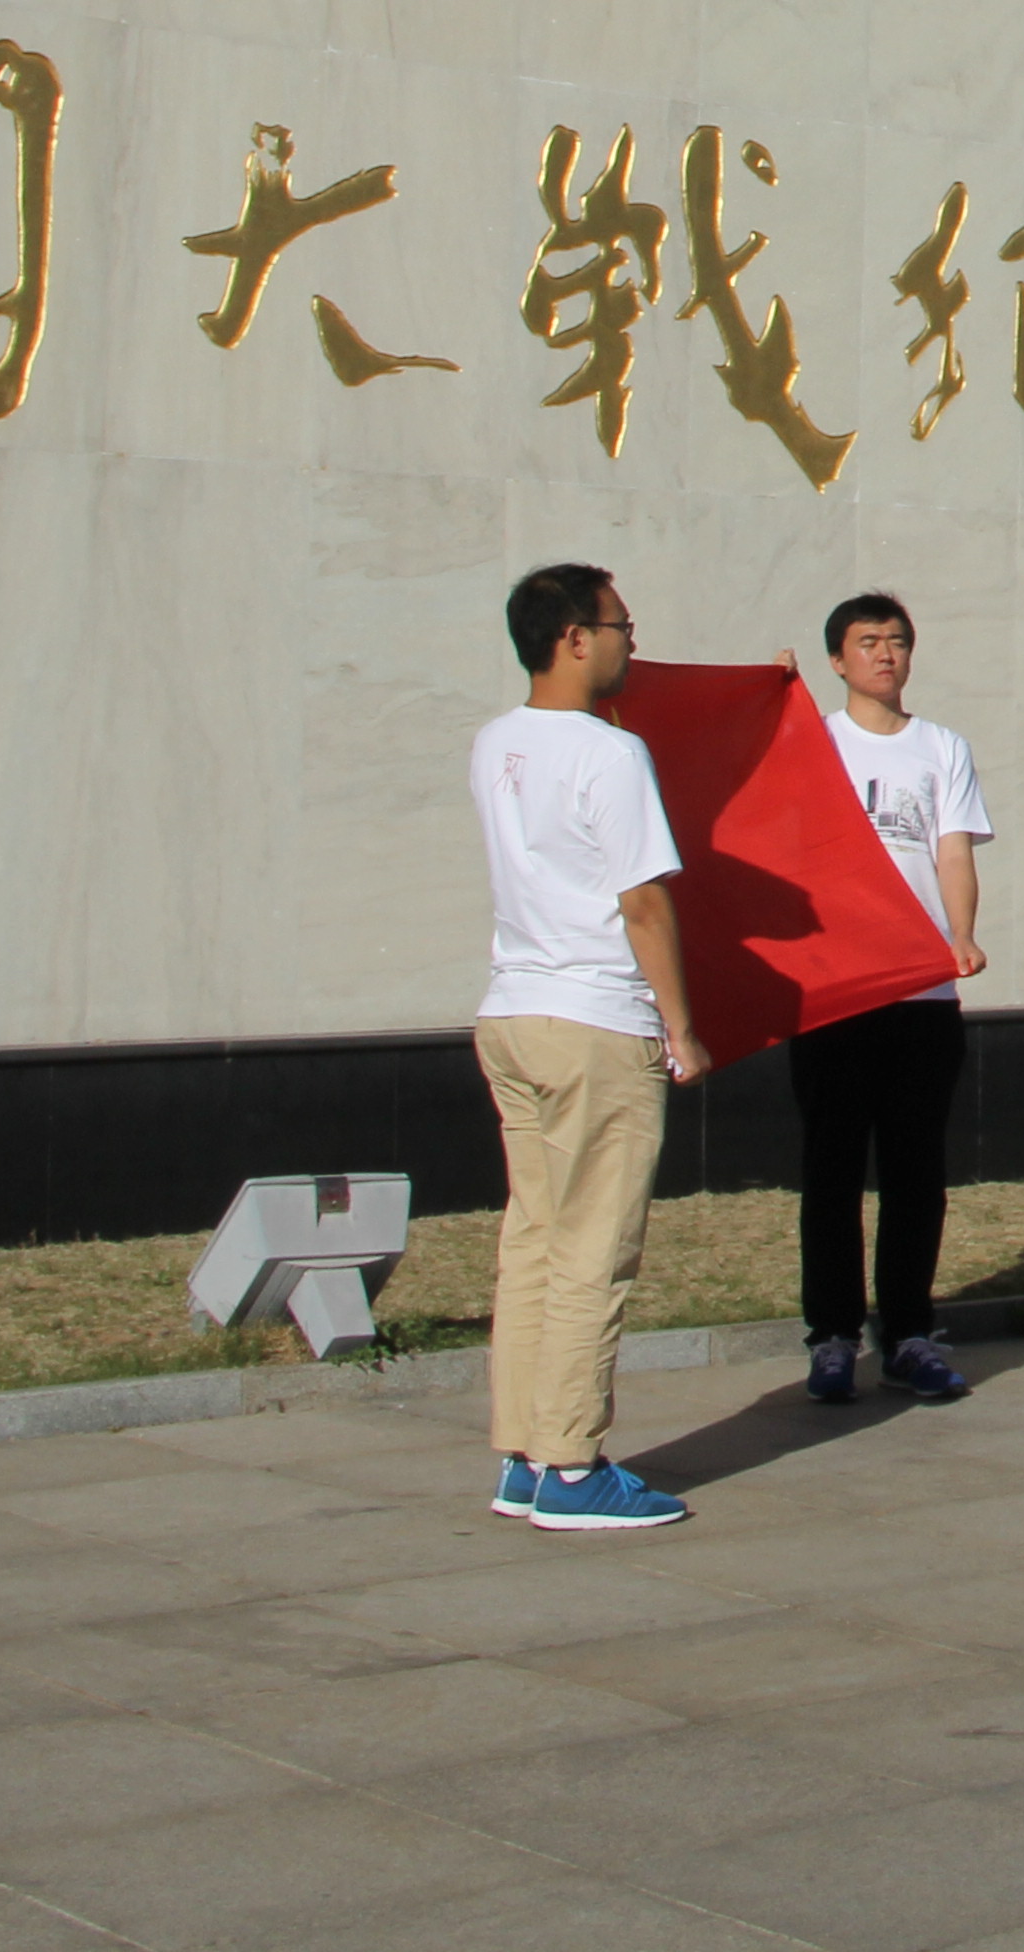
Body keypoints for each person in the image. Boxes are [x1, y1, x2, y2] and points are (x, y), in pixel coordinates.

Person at [471, 562, 709, 1532]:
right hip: (595, 1020)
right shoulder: (611, 754)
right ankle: (572, 1466)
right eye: (619, 624)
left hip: (513, 1013)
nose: (630, 641)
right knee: (593, 1249)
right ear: (574, 637)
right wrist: (680, 1025)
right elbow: (644, 900)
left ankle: (525, 1456)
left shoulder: (495, 744)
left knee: (533, 1238)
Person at [786, 592, 992, 1409]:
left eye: (897, 642)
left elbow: (952, 853)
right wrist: (778, 695)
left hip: (921, 990)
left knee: (916, 1171)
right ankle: (833, 1339)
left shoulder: (941, 748)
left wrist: (961, 935)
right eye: (867, 643)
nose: (885, 655)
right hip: (835, 991)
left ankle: (909, 1334)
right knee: (831, 1170)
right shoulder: (813, 745)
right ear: (837, 660)